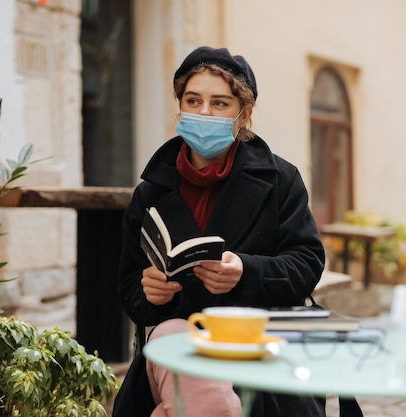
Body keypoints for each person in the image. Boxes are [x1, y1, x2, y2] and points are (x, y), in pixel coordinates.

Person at [115, 46, 329, 417]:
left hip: (260, 344)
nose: (203, 113)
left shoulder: (280, 179)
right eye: (193, 100)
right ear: (179, 104)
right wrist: (151, 293)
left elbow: (307, 263)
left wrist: (245, 271)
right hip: (181, 341)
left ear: (244, 113)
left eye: (220, 103)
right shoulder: (150, 192)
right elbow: (130, 288)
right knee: (186, 367)